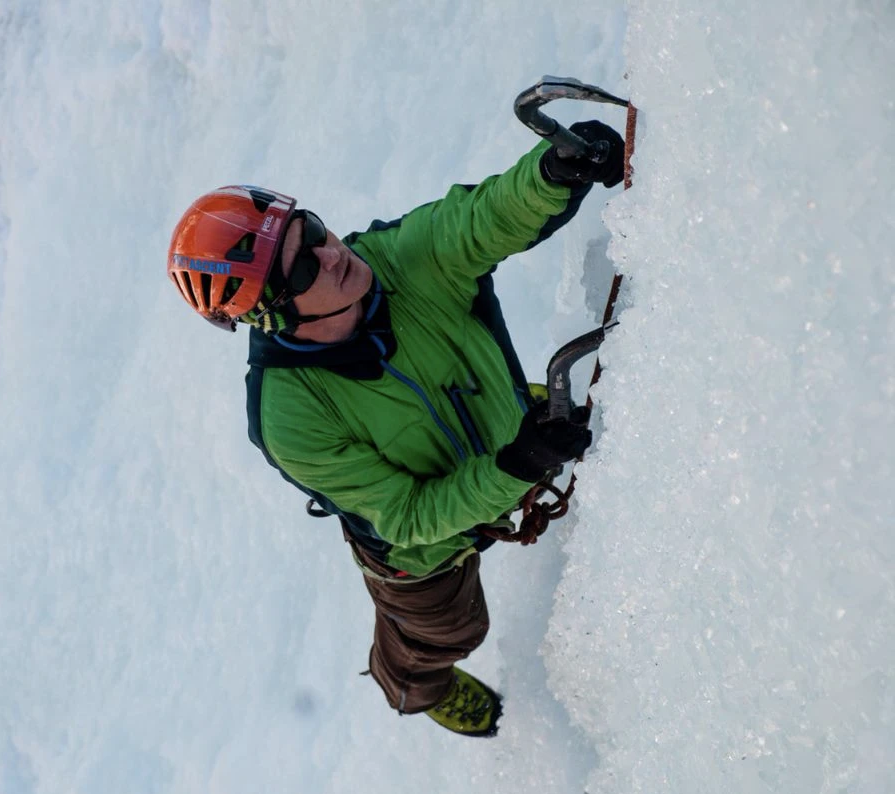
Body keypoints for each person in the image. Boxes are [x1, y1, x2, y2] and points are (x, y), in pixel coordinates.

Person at [167, 121, 625, 737]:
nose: (334, 255)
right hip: (422, 554)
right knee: (449, 632)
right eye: (303, 272)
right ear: (273, 315)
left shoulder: (396, 260)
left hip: (509, 431)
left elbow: (480, 218)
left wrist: (551, 174)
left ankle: (513, 426)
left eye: (311, 230)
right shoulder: (289, 418)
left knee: (544, 421)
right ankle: (412, 687)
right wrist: (515, 467)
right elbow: (409, 515)